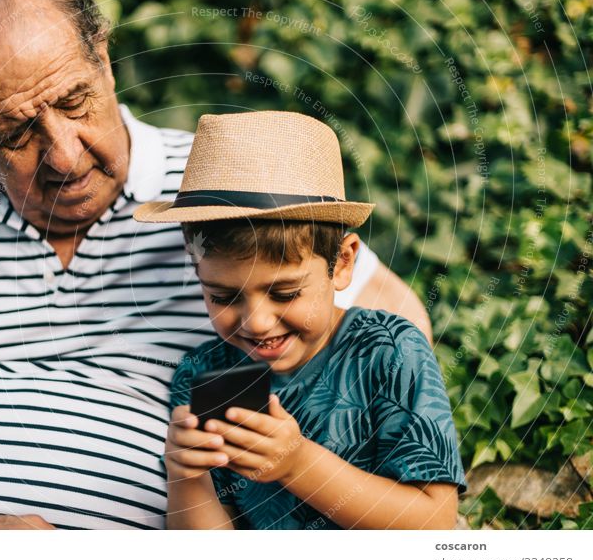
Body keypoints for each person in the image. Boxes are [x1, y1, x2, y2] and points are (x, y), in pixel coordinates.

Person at [0, 0, 433, 530]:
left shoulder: (213, 187)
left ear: (104, 62)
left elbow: (393, 315)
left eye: (75, 101)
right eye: (16, 133)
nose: (64, 156)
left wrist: (306, 473)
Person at [134, 111, 465, 529]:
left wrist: (296, 464)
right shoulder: (206, 374)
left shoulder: (390, 350)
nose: (256, 322)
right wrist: (187, 476)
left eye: (285, 293)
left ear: (342, 263)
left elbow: (434, 521)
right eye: (222, 296)